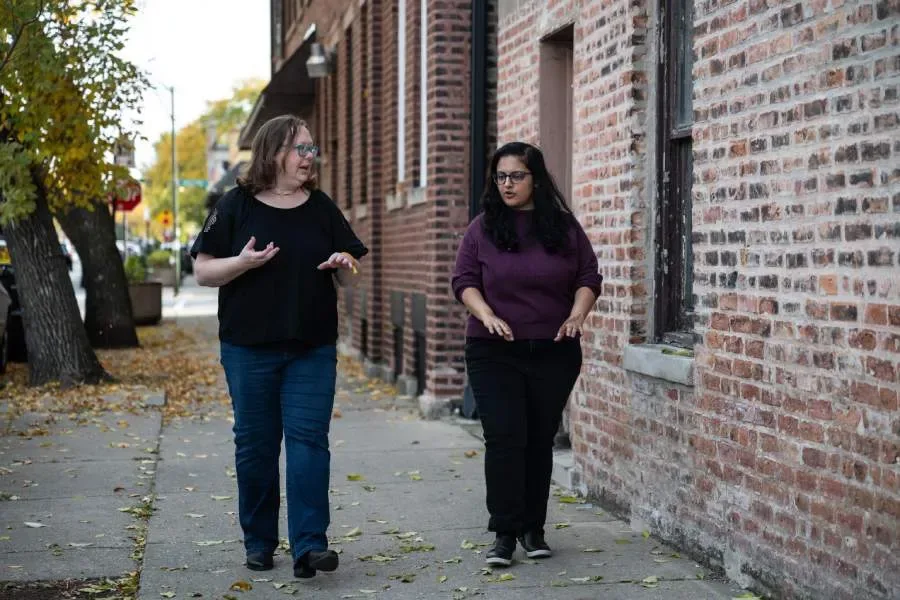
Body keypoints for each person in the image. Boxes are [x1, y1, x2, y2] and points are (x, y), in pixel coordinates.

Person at [191, 115, 367, 579]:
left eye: (312, 149)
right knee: (256, 446)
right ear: (273, 153)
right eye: (301, 149)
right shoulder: (235, 205)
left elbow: (352, 268)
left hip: (311, 347)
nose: (310, 157)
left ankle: (310, 545)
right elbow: (203, 271)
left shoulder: (321, 207)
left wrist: (343, 261)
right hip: (249, 349)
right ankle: (260, 541)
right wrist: (243, 262)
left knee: (310, 442)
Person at [451, 142, 602, 567]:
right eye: (500, 176)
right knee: (504, 437)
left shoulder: (564, 228)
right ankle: (503, 533)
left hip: (554, 349)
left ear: (535, 178)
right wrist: (485, 314)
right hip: (492, 348)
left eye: (516, 175)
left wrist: (576, 316)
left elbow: (589, 276)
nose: (507, 184)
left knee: (538, 439)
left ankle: (533, 530)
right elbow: (463, 280)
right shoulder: (482, 228)